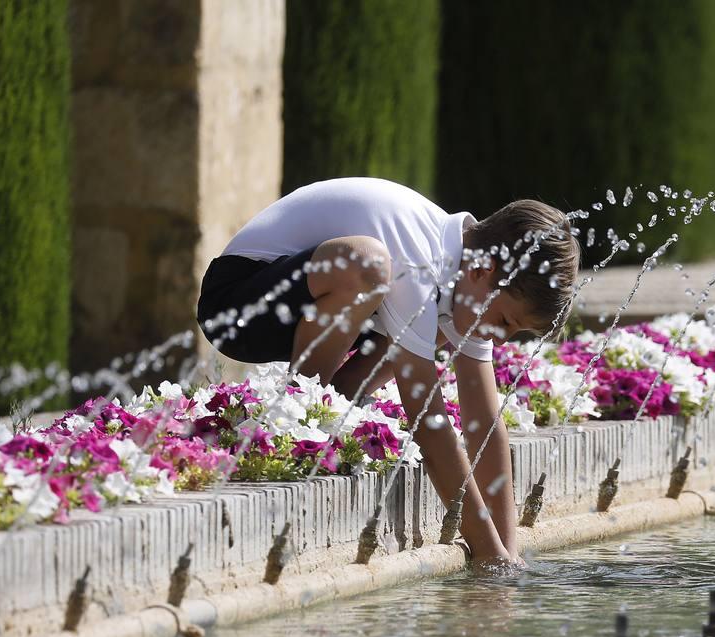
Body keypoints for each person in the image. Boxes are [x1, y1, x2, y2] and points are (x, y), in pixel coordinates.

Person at [195, 177, 579, 567]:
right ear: (483, 269)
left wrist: (507, 554)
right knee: (370, 266)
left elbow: (484, 421)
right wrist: (486, 551)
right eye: (505, 322)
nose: (499, 337)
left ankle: (341, 395)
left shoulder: (471, 278)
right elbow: (429, 423)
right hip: (238, 304)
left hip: (311, 304)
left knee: (440, 324)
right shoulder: (420, 260)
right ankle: (301, 414)